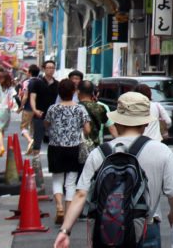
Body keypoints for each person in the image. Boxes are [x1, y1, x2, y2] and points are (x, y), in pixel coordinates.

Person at [54, 92, 173, 248]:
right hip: (145, 227)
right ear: (146, 123)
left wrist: (65, 231)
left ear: (116, 121)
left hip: (107, 230)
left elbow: (81, 194)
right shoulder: (161, 151)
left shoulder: (99, 153)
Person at [45, 78, 91, 224]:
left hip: (55, 147)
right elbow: (87, 129)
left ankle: (59, 207)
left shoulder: (53, 108)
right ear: (73, 92)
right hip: (73, 148)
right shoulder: (79, 109)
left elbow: (46, 124)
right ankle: (69, 214)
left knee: (57, 179)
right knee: (71, 183)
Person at [29, 60, 59, 157]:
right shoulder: (37, 83)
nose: (50, 70)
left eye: (52, 68)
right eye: (48, 68)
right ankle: (35, 162)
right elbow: (32, 98)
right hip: (39, 115)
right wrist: (35, 110)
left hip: (53, 117)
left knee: (54, 141)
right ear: (44, 69)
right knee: (37, 141)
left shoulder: (57, 84)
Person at [77, 80, 114, 156]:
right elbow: (111, 127)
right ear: (92, 92)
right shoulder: (100, 108)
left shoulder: (74, 107)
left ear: (78, 91)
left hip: (77, 147)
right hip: (95, 147)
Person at [18, 64, 42, 146]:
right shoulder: (41, 82)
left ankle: (30, 140)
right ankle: (33, 145)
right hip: (38, 108)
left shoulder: (27, 82)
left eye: (27, 71)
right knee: (33, 128)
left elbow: (25, 96)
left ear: (30, 73)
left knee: (23, 127)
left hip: (28, 107)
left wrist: (21, 107)